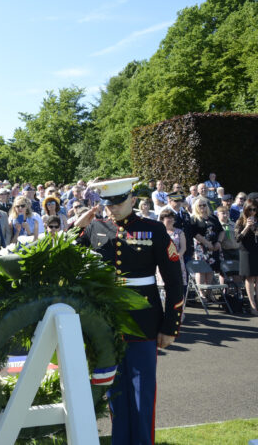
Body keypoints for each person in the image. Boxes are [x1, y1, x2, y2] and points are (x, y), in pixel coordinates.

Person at [75, 177, 183, 445]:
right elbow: (67, 258)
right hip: (106, 322)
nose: (113, 208)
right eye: (108, 203)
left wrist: (170, 326)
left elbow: (174, 281)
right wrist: (76, 227)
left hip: (143, 321)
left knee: (141, 392)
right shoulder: (96, 228)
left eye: (119, 202)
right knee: (114, 392)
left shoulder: (154, 229)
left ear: (132, 200)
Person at [190, 196, 224, 300]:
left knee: (210, 269)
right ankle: (201, 293)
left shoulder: (213, 217)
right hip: (201, 247)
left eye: (204, 205)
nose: (202, 207)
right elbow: (194, 233)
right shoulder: (194, 218)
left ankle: (209, 292)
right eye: (200, 205)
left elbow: (221, 231)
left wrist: (219, 242)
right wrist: (206, 243)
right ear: (196, 207)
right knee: (201, 270)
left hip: (214, 247)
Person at [236, 201, 258, 315]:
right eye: (250, 210)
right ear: (245, 210)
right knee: (250, 278)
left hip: (256, 250)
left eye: (254, 210)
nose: (253, 212)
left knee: (257, 279)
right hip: (246, 252)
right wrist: (247, 227)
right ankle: (252, 304)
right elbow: (238, 238)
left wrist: (255, 227)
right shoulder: (240, 221)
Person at [158, 208, 187, 286]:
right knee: (164, 286)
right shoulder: (158, 232)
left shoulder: (179, 232)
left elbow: (183, 248)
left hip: (177, 262)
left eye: (172, 218)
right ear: (162, 220)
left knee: (177, 286)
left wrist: (176, 257)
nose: (171, 219)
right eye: (168, 217)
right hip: (163, 262)